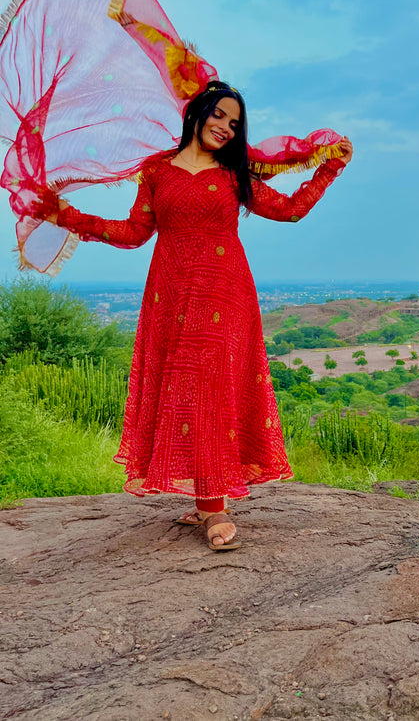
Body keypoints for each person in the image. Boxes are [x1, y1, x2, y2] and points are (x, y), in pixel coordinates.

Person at [42, 80, 353, 550]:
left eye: (235, 122)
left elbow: (290, 211)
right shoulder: (157, 170)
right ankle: (205, 492)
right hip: (169, 296)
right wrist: (67, 215)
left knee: (210, 383)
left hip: (225, 294)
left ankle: (214, 507)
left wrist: (329, 169)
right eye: (220, 115)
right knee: (182, 388)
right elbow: (133, 231)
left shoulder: (234, 174)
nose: (226, 127)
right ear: (197, 112)